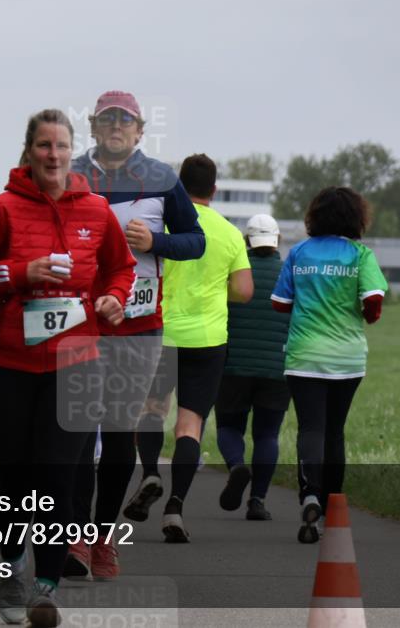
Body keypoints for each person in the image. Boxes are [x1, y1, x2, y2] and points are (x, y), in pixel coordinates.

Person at [0, 109, 136, 627]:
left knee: (58, 478)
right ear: (29, 151)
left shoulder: (96, 210)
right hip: (7, 366)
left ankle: (45, 587)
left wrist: (115, 298)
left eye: (61, 146)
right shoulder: (3, 208)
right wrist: (17, 272)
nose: (53, 155)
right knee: (16, 481)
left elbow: (122, 268)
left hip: (77, 362)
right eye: (44, 145)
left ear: (72, 151)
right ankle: (12, 568)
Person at [69, 90, 206, 580]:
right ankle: (75, 538)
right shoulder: (72, 175)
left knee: (119, 434)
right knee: (80, 431)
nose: (115, 128)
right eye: (106, 120)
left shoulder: (162, 180)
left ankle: (103, 537)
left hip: (139, 329)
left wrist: (158, 241)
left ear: (140, 130)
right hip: (81, 324)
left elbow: (196, 241)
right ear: (93, 127)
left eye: (124, 121)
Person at [131, 154, 252, 542]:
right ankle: (176, 508)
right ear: (215, 190)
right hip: (208, 339)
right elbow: (244, 291)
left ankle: (150, 471)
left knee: (151, 411)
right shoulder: (231, 234)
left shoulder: (165, 224)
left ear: (179, 186)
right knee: (190, 425)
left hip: (161, 334)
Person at [270, 186, 387, 544]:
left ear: (314, 216)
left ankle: (309, 497)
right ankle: (331, 507)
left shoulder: (299, 252)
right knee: (335, 432)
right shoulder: (360, 255)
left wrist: (310, 303)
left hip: (304, 355)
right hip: (347, 358)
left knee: (311, 429)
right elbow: (374, 302)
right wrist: (361, 312)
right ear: (357, 218)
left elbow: (279, 302)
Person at [215, 214, 291, 521]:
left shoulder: (234, 272)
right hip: (277, 367)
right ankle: (257, 501)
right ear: (277, 241)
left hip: (233, 365)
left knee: (228, 427)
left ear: (247, 240)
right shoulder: (289, 273)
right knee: (268, 435)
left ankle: (236, 465)